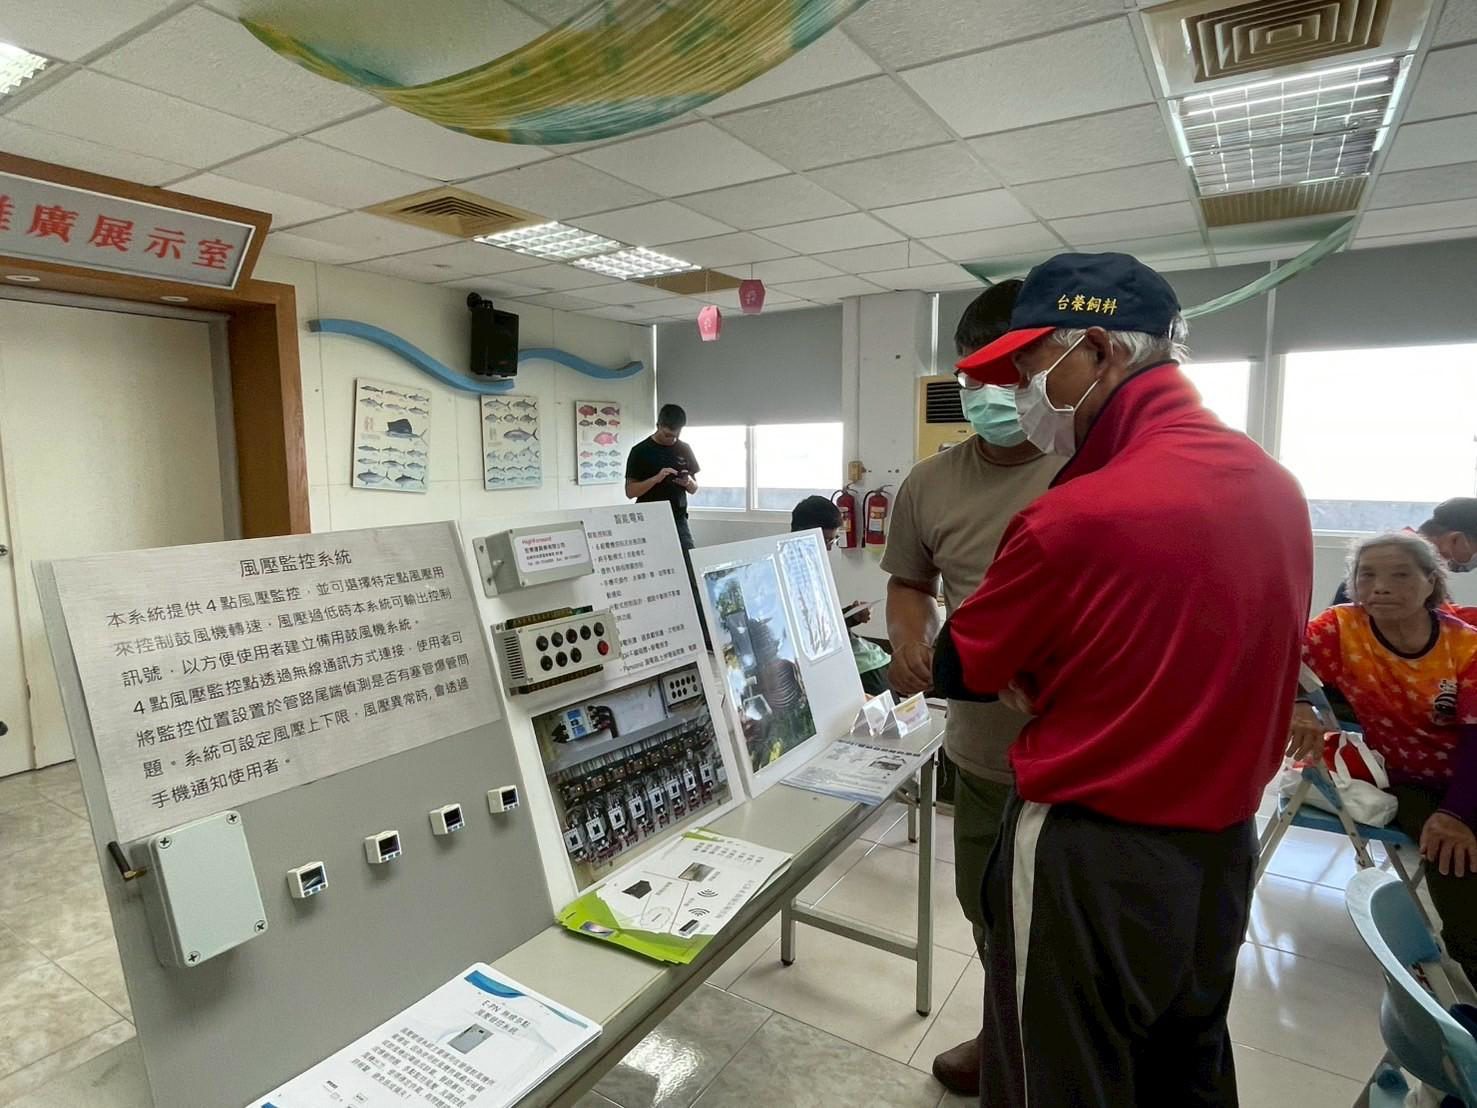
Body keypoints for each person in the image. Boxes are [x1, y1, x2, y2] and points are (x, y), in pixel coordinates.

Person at [934, 252, 1312, 1106]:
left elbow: (964, 663)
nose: (1023, 397)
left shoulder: (1075, 513)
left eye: (1031, 370)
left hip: (1090, 853)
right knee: (1183, 1064)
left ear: (1098, 351)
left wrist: (1044, 665)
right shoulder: (1275, 487)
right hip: (1218, 849)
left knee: (1058, 1078)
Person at [879, 278, 1059, 1096]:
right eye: (974, 375)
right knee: (986, 913)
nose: (990, 393)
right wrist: (909, 638)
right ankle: (1001, 1034)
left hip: (1079, 758)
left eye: (1011, 374)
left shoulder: (1088, 466)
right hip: (981, 752)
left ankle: (1054, 1060)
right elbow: (909, 581)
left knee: (1063, 928)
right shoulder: (929, 483)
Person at [1289, 531, 1477, 982]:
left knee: (1453, 832)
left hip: (1467, 778)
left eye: (1400, 575)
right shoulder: (1341, 628)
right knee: (1452, 857)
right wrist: (1298, 706)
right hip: (1409, 777)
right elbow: (1283, 661)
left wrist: (1459, 811)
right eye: (1367, 575)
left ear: (1431, 582)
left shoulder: (1466, 646)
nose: (1381, 586)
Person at [789, 495, 891, 696]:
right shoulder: (789, 572)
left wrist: (851, 615)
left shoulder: (814, 568)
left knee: (880, 662)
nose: (828, 548)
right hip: (837, 661)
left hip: (852, 652)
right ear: (803, 533)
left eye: (833, 540)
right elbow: (809, 634)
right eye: (826, 540)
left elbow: (822, 623)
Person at [625, 403, 701, 552]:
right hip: (647, 517)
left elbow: (694, 488)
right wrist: (655, 479)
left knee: (688, 560)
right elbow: (630, 492)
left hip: (678, 517)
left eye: (676, 435)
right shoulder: (640, 451)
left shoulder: (684, 449)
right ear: (658, 425)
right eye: (667, 435)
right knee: (651, 561)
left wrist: (688, 482)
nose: (672, 439)